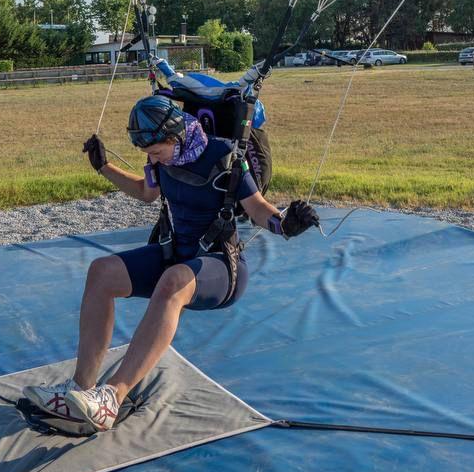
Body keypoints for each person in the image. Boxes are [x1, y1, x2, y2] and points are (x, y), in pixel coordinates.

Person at [25, 93, 319, 437]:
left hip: (221, 268)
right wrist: (103, 166)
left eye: (156, 151)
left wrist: (284, 224)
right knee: (102, 272)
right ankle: (81, 390)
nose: (152, 159)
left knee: (173, 280)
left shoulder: (224, 156)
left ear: (177, 135)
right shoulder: (162, 160)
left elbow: (256, 207)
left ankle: (111, 399)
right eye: (148, 154)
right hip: (175, 255)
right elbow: (146, 192)